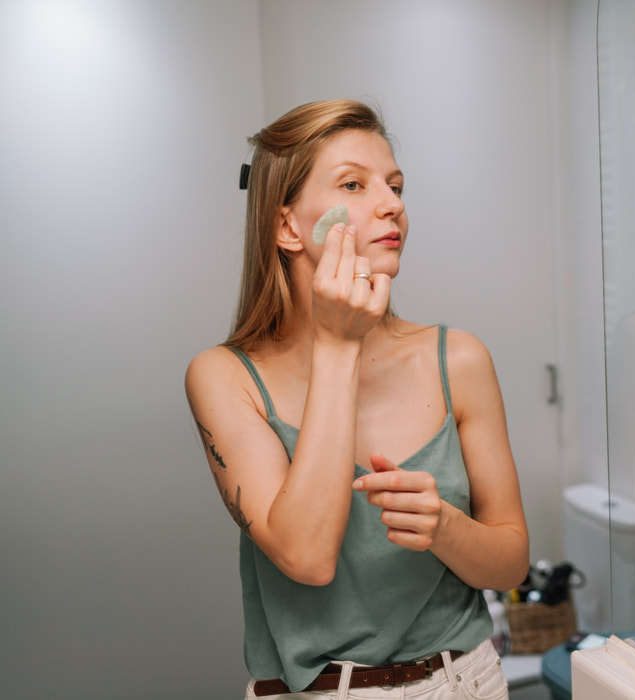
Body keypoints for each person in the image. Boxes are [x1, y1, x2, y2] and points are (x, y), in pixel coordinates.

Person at [184, 99, 529, 699]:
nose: (392, 203)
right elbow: (308, 557)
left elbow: (510, 564)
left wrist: (445, 527)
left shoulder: (460, 359)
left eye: (395, 185)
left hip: (468, 680)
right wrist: (338, 345)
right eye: (354, 184)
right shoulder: (224, 377)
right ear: (288, 226)